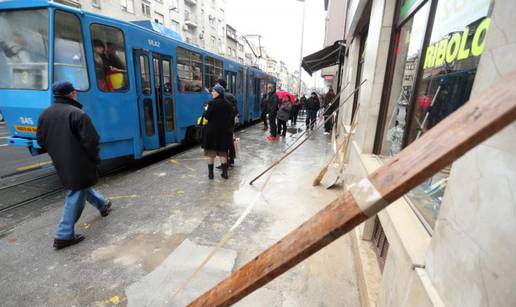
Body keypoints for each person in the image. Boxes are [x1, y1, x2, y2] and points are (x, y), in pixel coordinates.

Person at [36, 81, 112, 250]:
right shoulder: (78, 114)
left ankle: (103, 204)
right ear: (72, 94)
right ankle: (63, 236)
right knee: (77, 193)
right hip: (80, 161)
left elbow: (40, 141)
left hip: (60, 160)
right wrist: (95, 159)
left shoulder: (45, 114)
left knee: (82, 186)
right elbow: (92, 141)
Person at [202, 84, 234, 179]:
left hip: (211, 133)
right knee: (222, 153)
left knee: (210, 153)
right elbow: (231, 120)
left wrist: (206, 109)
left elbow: (207, 116)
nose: (212, 92)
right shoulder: (228, 105)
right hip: (224, 133)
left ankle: (211, 174)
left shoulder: (211, 103)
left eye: (214, 91)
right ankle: (225, 173)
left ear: (218, 93)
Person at [215, 78, 238, 168]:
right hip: (230, 124)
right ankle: (231, 159)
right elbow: (236, 110)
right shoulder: (231, 96)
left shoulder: (223, 97)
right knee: (230, 141)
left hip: (224, 125)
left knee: (223, 144)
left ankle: (225, 163)